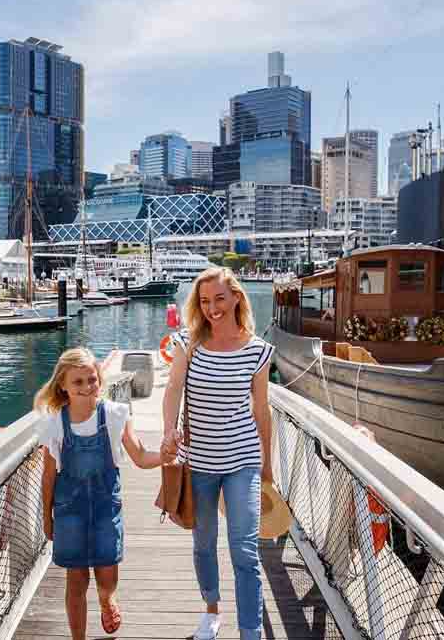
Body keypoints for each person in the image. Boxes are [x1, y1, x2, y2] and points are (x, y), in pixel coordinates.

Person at [161, 267, 275, 640]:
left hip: (242, 461)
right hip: (199, 463)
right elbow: (173, 389)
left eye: (220, 299)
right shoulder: (186, 344)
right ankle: (211, 610)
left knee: (244, 551)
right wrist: (168, 430)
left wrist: (267, 466)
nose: (213, 308)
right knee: (204, 543)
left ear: (237, 297)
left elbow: (262, 410)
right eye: (205, 301)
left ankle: (250, 632)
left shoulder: (258, 351)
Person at [38, 347, 174, 639]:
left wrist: (163, 457)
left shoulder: (114, 415)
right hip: (69, 514)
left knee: (107, 574)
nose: (87, 387)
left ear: (100, 379)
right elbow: (48, 477)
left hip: (105, 510)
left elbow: (139, 456)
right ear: (62, 385)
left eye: (92, 380)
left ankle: (106, 599)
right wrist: (46, 519)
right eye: (78, 382)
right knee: (75, 580)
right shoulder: (53, 424)